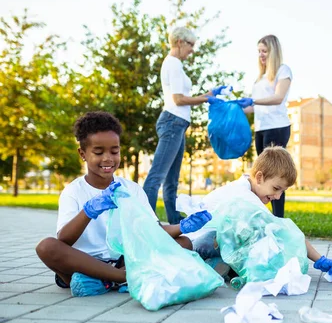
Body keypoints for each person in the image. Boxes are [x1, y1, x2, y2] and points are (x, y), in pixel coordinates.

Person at [35, 112, 212, 297]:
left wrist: (182, 226)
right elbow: (64, 240)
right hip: (84, 262)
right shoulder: (73, 192)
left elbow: (152, 231)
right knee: (46, 247)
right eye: (98, 152)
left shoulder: (132, 189)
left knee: (183, 243)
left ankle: (108, 280)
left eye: (114, 151)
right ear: (83, 154)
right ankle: (123, 278)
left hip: (125, 260)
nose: (108, 158)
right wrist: (88, 211)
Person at [189, 146, 332, 279]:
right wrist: (320, 260)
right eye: (276, 188)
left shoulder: (249, 187)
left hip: (206, 242)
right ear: (259, 177)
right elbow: (285, 232)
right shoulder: (244, 196)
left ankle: (219, 264)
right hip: (198, 243)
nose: (277, 196)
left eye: (282, 191)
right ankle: (211, 264)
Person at [143, 26, 230, 225]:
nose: (192, 50)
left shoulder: (176, 65)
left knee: (172, 178)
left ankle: (174, 221)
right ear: (180, 42)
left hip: (178, 123)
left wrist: (210, 94)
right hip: (173, 121)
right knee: (157, 174)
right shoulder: (173, 63)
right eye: (190, 45)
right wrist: (205, 100)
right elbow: (179, 99)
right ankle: (146, 220)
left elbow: (183, 97)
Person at [235, 35, 293, 218]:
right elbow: (254, 106)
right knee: (260, 177)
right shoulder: (259, 79)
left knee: (276, 176)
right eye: (259, 51)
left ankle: (278, 219)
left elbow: (278, 98)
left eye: (264, 51)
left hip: (277, 127)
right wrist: (235, 107)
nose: (261, 55)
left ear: (273, 52)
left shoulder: (283, 71)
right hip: (261, 129)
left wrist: (253, 101)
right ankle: (260, 216)